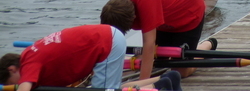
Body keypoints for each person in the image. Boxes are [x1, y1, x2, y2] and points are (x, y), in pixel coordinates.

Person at [0, 19, 182, 90]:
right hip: (106, 36)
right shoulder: (31, 52)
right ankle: (166, 80)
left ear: (12, 69)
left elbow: (24, 89)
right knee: (114, 88)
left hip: (105, 43)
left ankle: (159, 87)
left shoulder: (29, 63)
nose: (15, 85)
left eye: (11, 83)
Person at [101, 0, 216, 81]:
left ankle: (208, 45)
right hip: (165, 21)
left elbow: (149, 44)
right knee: (157, 61)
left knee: (180, 72)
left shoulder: (147, 1)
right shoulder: (116, 8)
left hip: (188, 14)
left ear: (134, 17)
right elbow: (109, 39)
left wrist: (142, 84)